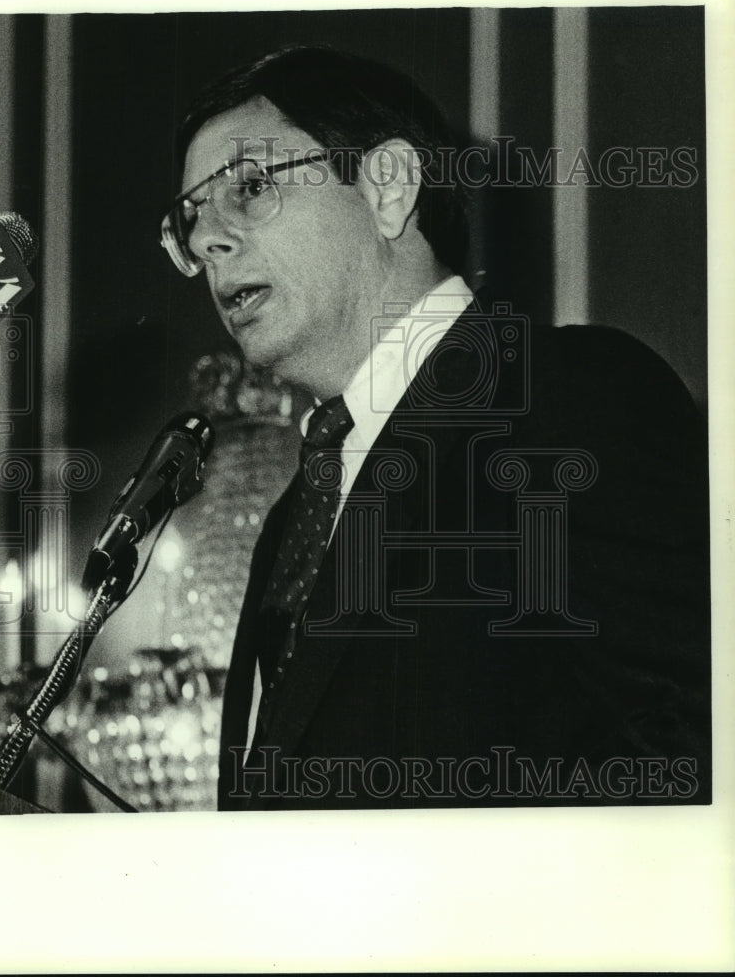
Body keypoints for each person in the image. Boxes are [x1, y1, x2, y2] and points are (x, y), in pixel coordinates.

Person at [160, 45, 710, 809]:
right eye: (188, 223)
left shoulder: (564, 399)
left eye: (247, 189)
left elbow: (689, 761)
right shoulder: (296, 513)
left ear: (388, 188)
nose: (206, 242)